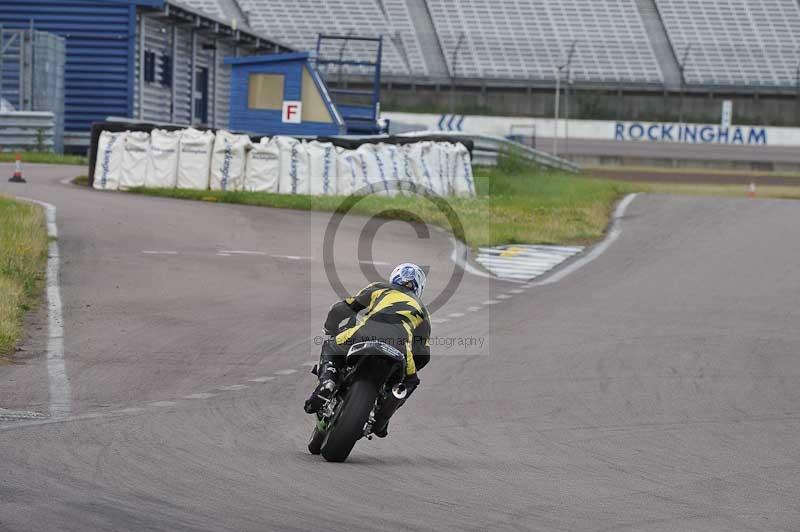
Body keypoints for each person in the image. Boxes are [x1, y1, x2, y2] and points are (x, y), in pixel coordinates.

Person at [304, 263, 431, 438]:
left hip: (364, 333)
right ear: (419, 287)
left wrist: (330, 329)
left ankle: (328, 381)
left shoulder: (380, 288)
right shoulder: (423, 310)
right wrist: (405, 372)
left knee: (331, 344)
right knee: (411, 381)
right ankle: (383, 417)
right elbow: (423, 354)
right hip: (399, 346)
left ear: (395, 277)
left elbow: (340, 309)